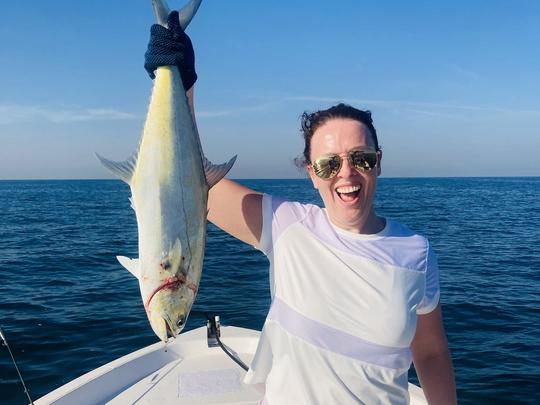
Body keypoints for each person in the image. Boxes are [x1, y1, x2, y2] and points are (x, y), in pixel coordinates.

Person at [145, 12, 457, 405]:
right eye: (329, 164)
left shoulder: (416, 251)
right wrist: (178, 79)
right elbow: (196, 192)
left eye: (361, 158)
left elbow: (430, 350)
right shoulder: (287, 225)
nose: (347, 174)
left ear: (378, 161)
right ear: (311, 173)